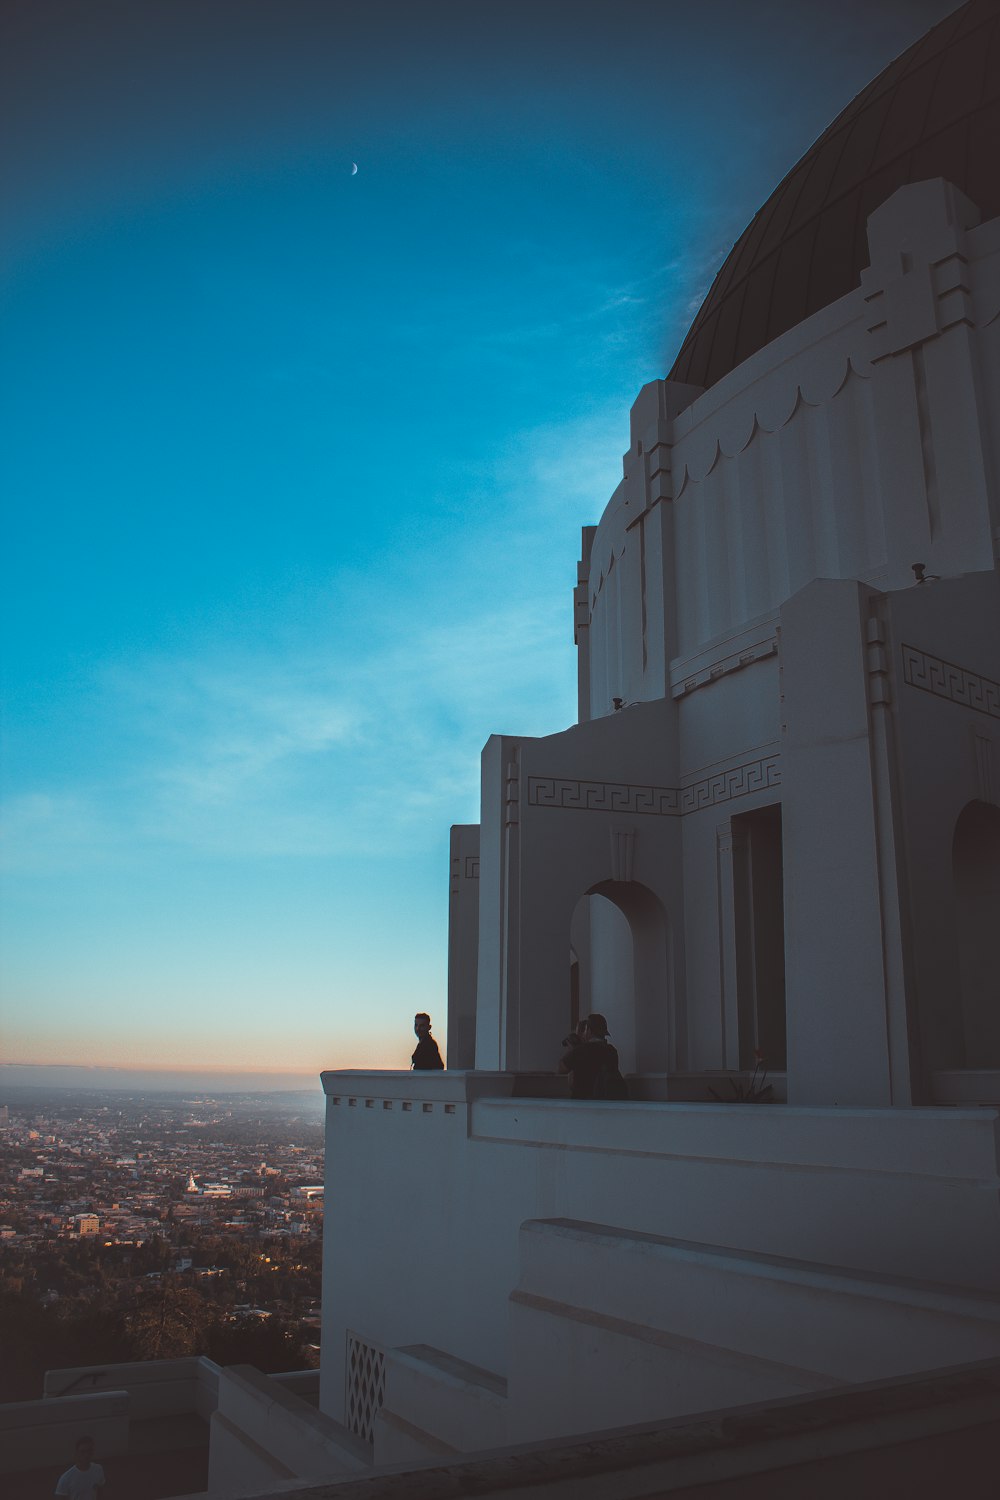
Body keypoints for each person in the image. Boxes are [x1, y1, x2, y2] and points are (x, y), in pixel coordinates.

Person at [558, 1013, 627, 1099]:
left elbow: (562, 1069)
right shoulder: (612, 1051)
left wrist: (572, 1050)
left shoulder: (580, 1051)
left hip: (583, 1102)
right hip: (605, 1102)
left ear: (589, 1030)